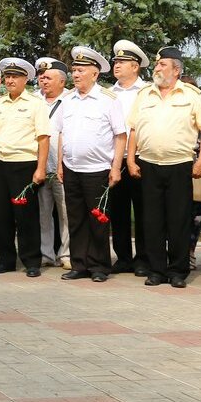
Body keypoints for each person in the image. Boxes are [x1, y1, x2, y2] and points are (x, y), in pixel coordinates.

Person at [125, 47, 201, 288]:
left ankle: (177, 271)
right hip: (148, 164)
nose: (157, 68)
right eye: (157, 64)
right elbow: (133, 130)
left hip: (179, 165)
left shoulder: (191, 95)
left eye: (163, 64)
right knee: (152, 220)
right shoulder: (145, 94)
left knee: (178, 220)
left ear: (176, 70)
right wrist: (130, 160)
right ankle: (156, 270)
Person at [56, 47, 126, 282]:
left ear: (95, 74)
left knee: (98, 220)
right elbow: (62, 133)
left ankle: (99, 266)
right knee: (75, 219)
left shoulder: (108, 100)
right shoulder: (67, 99)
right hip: (71, 167)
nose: (75, 75)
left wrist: (115, 167)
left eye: (81, 70)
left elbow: (120, 136)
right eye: (74, 70)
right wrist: (60, 164)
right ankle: (79, 264)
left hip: (97, 170)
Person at [0, 58, 51, 276]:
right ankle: (6, 260)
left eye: (15, 77)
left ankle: (31, 261)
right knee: (1, 215)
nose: (10, 80)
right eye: (8, 76)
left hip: (24, 163)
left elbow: (43, 138)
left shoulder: (36, 104)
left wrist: (40, 168)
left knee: (25, 216)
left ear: (25, 79)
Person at [108, 40, 150, 276]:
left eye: (122, 62)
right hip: (116, 158)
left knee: (144, 210)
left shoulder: (147, 91)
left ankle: (143, 258)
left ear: (135, 66)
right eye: (115, 61)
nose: (117, 65)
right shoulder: (109, 93)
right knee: (118, 211)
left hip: (141, 156)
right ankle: (123, 257)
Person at [35, 58, 71, 269]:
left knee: (66, 213)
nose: (43, 80)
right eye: (42, 77)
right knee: (43, 213)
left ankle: (66, 254)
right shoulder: (34, 99)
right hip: (40, 166)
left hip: (62, 167)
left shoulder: (71, 100)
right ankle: (45, 254)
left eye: (48, 77)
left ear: (62, 81)